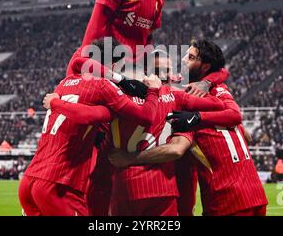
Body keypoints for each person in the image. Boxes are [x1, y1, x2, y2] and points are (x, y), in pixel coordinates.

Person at [49, 50, 229, 215]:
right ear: (147, 72)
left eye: (167, 70)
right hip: (162, 189)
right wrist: (204, 90)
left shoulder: (120, 97)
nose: (165, 75)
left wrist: (59, 102)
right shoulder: (178, 98)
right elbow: (220, 105)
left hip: (126, 185)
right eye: (159, 71)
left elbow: (83, 80)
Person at [109, 40, 268, 216]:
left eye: (190, 57)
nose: (183, 61)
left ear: (205, 66)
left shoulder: (183, 105)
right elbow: (240, 124)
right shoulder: (213, 91)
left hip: (223, 198)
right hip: (253, 193)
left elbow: (177, 150)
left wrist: (198, 115)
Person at [18, 38, 162, 216]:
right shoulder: (103, 85)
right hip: (59, 184)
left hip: (30, 180)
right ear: (112, 64)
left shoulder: (64, 82)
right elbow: (146, 116)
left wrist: (103, 115)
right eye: (121, 67)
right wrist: (154, 91)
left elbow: (78, 64)